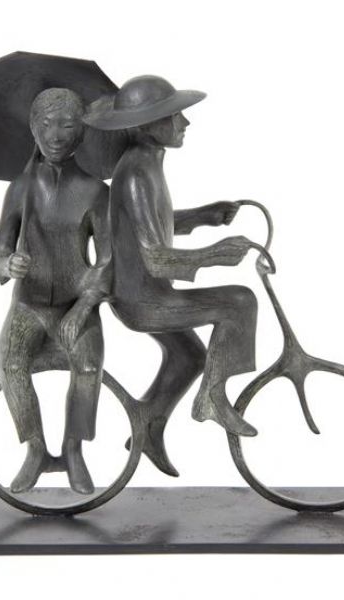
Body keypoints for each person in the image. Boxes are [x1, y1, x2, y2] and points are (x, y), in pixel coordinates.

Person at [84, 75, 258, 477]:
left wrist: (204, 215)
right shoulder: (135, 173)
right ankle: (213, 398)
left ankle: (148, 423)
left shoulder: (146, 163)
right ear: (148, 125)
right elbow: (156, 259)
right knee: (239, 302)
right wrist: (214, 255)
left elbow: (150, 226)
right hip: (144, 301)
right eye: (173, 116)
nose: (184, 123)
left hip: (147, 293)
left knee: (190, 356)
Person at [0, 88, 111, 494]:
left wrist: (83, 308)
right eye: (46, 124)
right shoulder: (20, 188)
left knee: (89, 367)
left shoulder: (96, 192)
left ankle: (74, 449)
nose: (56, 135)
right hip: (29, 304)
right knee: (11, 364)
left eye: (67, 125)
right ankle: (36, 449)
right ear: (33, 128)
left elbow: (107, 260)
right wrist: (7, 263)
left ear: (82, 132)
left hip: (78, 304)